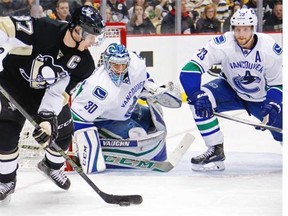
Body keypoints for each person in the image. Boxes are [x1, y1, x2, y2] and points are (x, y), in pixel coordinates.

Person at [0, 5, 105, 203]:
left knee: (62, 133)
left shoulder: (84, 64)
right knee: (5, 131)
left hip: (43, 93)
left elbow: (59, 91)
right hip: (12, 84)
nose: (93, 41)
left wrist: (47, 119)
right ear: (76, 29)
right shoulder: (45, 29)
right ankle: (6, 180)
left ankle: (50, 166)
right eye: (91, 35)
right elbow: (4, 26)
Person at [179, 8, 282, 171]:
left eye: (246, 29)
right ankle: (215, 150)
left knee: (282, 132)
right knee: (199, 100)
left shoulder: (269, 49)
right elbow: (190, 69)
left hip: (262, 99)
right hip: (230, 90)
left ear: (253, 29)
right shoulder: (223, 44)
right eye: (237, 29)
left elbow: (278, 83)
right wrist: (195, 93)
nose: (241, 34)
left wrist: (274, 104)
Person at [70, 43, 182, 173]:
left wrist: (152, 87)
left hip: (121, 111)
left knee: (148, 120)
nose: (120, 69)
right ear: (107, 63)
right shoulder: (99, 90)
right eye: (116, 65)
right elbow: (77, 117)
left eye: (123, 64)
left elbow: (143, 77)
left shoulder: (136, 62)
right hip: (101, 119)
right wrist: (90, 155)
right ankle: (100, 143)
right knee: (138, 133)